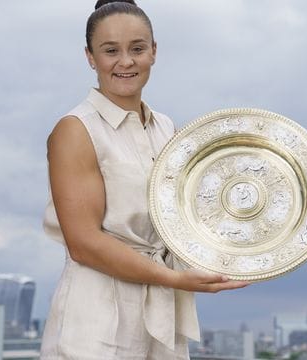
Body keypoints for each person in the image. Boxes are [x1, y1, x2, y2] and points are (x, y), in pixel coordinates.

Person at [40, 1, 249, 358]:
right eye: (110, 51)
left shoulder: (167, 128)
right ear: (90, 57)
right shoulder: (76, 130)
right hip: (96, 316)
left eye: (137, 48)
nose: (126, 62)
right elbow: (83, 243)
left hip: (161, 317)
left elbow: (185, 219)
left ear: (154, 51)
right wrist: (173, 279)